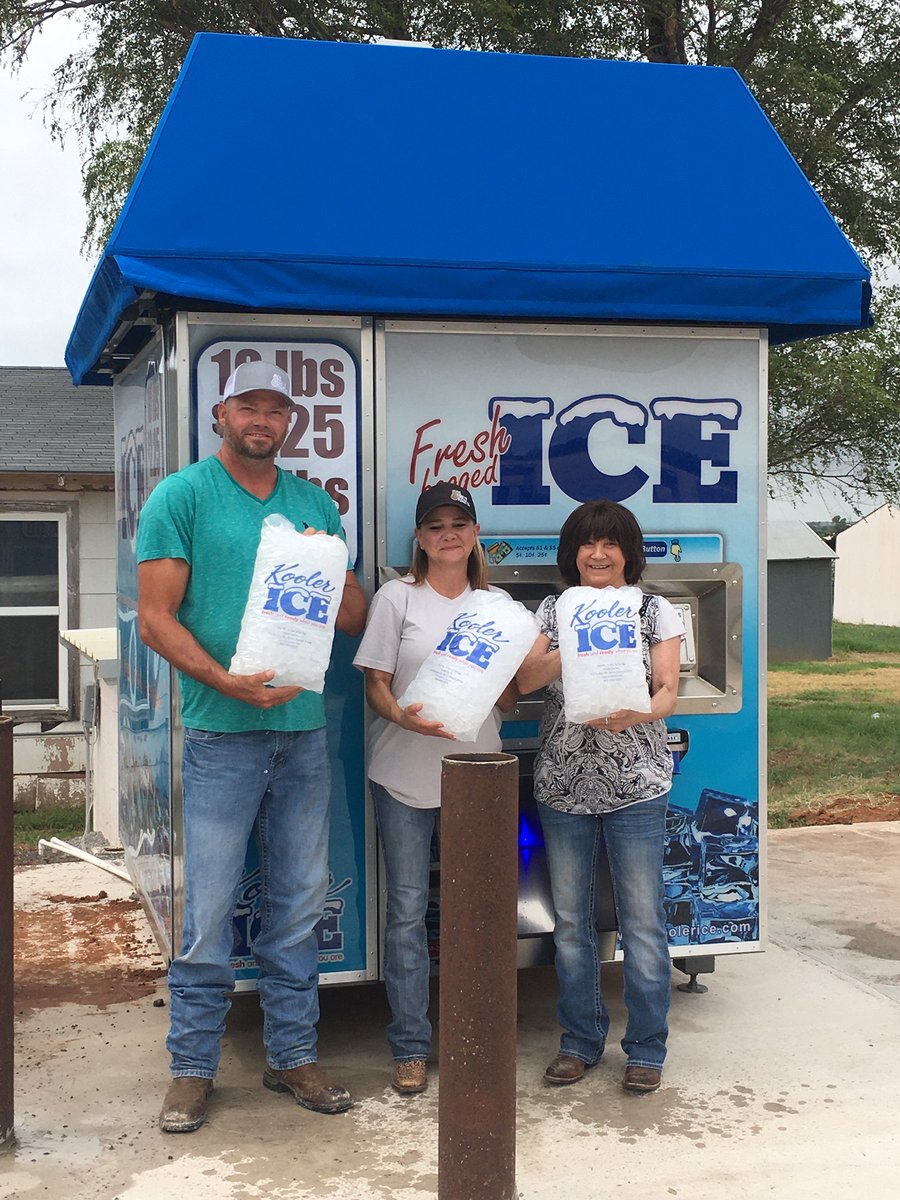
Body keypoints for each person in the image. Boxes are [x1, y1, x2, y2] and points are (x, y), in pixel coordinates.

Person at [137, 360, 367, 1133]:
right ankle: (191, 1068)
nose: (262, 420)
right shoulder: (182, 496)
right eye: (248, 407)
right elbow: (155, 618)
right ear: (222, 415)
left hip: (302, 733)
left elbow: (353, 616)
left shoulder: (314, 503)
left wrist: (329, 567)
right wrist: (226, 682)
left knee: (298, 904)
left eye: (276, 409)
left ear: (291, 422)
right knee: (207, 910)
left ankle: (292, 1055)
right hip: (220, 733)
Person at [352, 482, 517, 1096]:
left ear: (476, 535)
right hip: (402, 773)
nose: (449, 534)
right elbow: (375, 684)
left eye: (459, 524)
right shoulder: (397, 598)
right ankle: (411, 1046)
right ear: (420, 539)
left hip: (477, 773)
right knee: (406, 912)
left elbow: (509, 699)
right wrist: (403, 717)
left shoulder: (498, 606)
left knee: (478, 909)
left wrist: (516, 668)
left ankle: (477, 1034)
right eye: (436, 525)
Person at [516, 499, 682, 1094]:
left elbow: (667, 689)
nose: (598, 553)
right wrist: (583, 636)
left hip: (638, 782)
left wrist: (639, 712)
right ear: (573, 554)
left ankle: (647, 1047)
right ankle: (580, 1041)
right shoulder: (554, 610)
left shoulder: (653, 610)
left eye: (611, 543)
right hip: (563, 784)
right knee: (571, 923)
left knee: (642, 921)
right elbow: (525, 680)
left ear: (628, 553)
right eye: (587, 543)